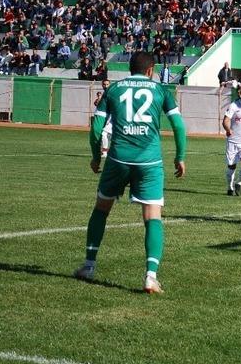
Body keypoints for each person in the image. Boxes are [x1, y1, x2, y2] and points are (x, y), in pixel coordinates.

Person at [73, 52, 187, 294]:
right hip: (150, 161)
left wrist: (96, 156)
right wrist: (180, 156)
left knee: (101, 210)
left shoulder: (114, 89)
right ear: (150, 70)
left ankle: (89, 266)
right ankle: (150, 276)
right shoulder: (160, 90)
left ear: (130, 69)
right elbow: (178, 125)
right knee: (153, 217)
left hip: (117, 159)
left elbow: (96, 129)